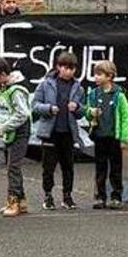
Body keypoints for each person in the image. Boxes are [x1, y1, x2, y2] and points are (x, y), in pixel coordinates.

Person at [32, 51, 82, 210]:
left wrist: (77, 107)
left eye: (72, 68)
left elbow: (82, 112)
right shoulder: (45, 84)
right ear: (58, 67)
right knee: (48, 167)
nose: (69, 71)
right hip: (50, 133)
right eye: (66, 68)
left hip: (68, 133)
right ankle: (48, 195)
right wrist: (48, 108)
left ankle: (67, 196)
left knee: (68, 167)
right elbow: (35, 105)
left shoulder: (78, 87)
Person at [0, 56, 30, 217]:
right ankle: (22, 201)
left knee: (13, 167)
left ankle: (13, 202)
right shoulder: (2, 88)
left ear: (3, 74)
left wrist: (5, 126)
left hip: (19, 132)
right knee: (12, 166)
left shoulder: (16, 90)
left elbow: (23, 114)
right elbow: (0, 105)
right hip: (9, 133)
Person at [83, 60, 128, 209]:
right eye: (95, 74)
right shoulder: (93, 94)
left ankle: (116, 196)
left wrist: (124, 137)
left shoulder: (119, 94)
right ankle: (100, 197)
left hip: (114, 137)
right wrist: (91, 112)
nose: (96, 77)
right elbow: (87, 112)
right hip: (99, 136)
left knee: (115, 168)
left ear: (109, 76)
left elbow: (125, 116)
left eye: (99, 74)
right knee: (100, 168)